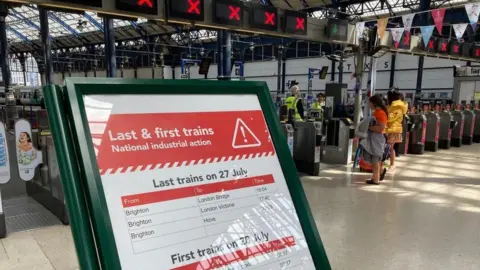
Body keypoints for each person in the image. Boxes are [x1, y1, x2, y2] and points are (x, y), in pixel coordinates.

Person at [362, 95, 388, 185]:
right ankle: (380, 173)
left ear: (374, 103)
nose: (369, 104)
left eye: (370, 102)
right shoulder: (378, 112)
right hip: (377, 138)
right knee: (377, 159)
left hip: (377, 138)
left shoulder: (380, 113)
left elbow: (381, 128)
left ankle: (376, 179)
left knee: (375, 160)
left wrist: (368, 127)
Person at [386, 89, 408, 169]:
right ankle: (390, 163)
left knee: (390, 147)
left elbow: (391, 117)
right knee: (390, 147)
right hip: (391, 129)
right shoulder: (393, 106)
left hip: (393, 129)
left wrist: (384, 115)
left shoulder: (397, 106)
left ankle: (392, 164)